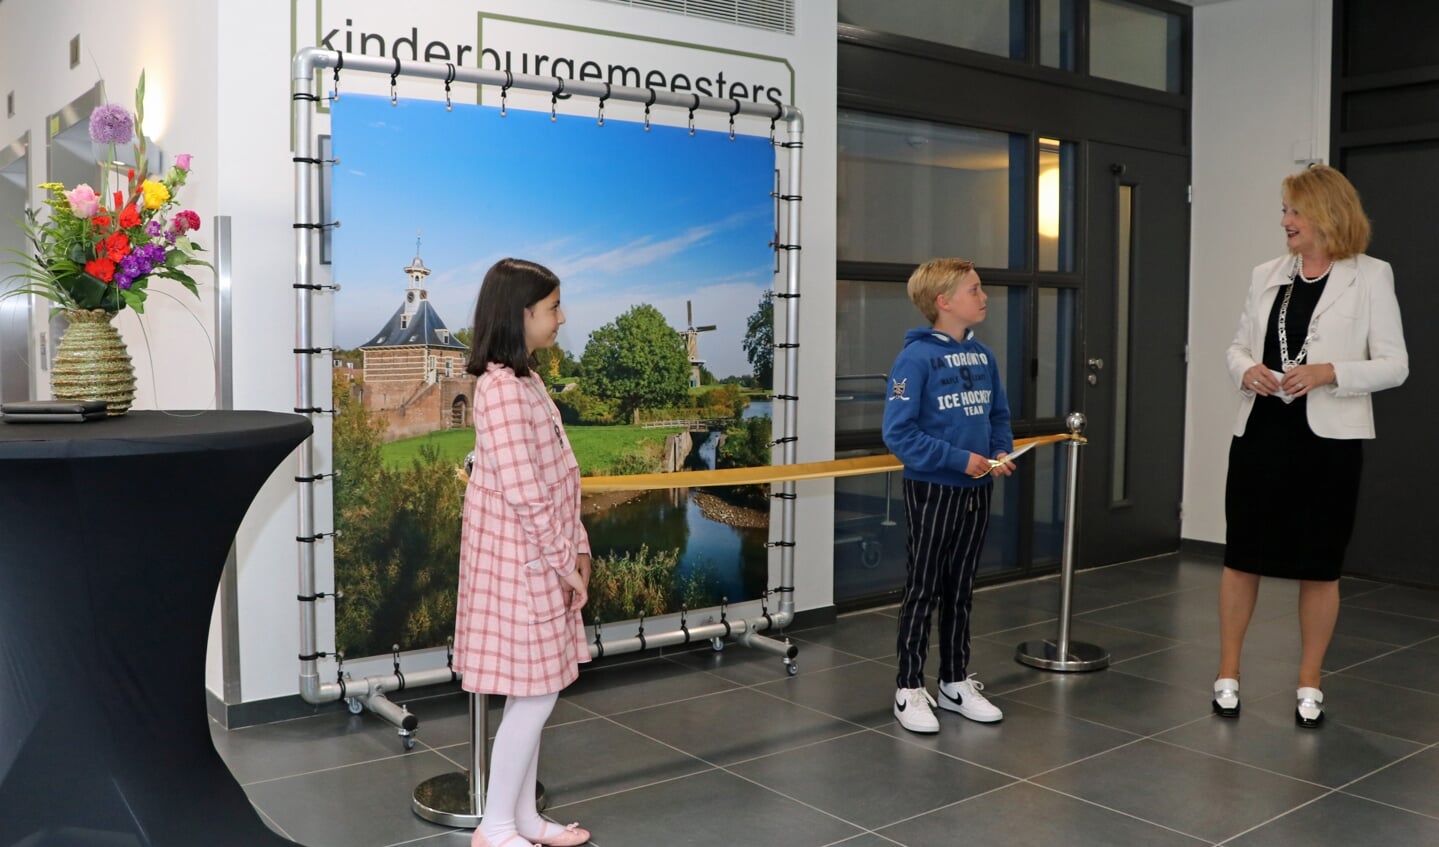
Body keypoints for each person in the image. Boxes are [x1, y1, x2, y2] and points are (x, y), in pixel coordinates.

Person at [1217, 165, 1407, 729]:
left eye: (1294, 211)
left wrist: (1330, 371)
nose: (1286, 221)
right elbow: (1236, 345)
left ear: (1327, 214)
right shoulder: (1265, 273)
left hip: (1329, 443)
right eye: (1283, 210)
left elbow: (1396, 365)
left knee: (1320, 567)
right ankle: (1228, 674)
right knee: (1241, 557)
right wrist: (1247, 369)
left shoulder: (1371, 276)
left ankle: (1309, 681)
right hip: (1261, 433)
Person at [455, 258, 593, 847]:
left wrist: (578, 549)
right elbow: (528, 495)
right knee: (535, 694)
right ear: (522, 314)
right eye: (553, 307)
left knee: (532, 691)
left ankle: (524, 820)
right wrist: (566, 562)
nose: (562, 318)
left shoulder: (527, 380)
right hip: (520, 566)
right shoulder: (500, 390)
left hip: (540, 559)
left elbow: (560, 476)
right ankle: (497, 827)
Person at [883, 257, 1015, 734]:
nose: (983, 298)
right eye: (974, 290)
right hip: (933, 489)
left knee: (961, 590)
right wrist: (959, 459)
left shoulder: (984, 357)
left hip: (977, 490)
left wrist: (1000, 451)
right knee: (923, 588)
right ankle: (909, 688)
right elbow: (899, 434)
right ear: (943, 302)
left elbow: (997, 416)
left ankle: (955, 682)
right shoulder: (913, 360)